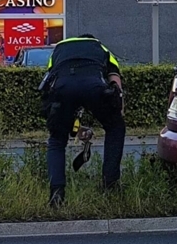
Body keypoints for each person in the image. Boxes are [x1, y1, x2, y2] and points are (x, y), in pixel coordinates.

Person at [40, 34, 125, 206]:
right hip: (93, 86)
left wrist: (68, 125)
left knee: (57, 140)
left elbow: (51, 79)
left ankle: (56, 194)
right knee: (115, 128)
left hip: (62, 87)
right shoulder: (101, 47)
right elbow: (114, 79)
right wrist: (118, 111)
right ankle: (110, 184)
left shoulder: (59, 49)